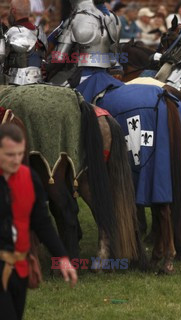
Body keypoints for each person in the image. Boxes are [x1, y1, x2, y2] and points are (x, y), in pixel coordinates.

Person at [0, 123, 78, 319]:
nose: (16, 160)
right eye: (10, 155)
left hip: (19, 266)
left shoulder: (29, 178)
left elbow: (42, 223)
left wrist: (62, 257)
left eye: (20, 154)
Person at [0, 0, 47, 85]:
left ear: (13, 11)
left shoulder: (12, 32)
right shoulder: (40, 33)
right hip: (38, 82)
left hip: (15, 83)